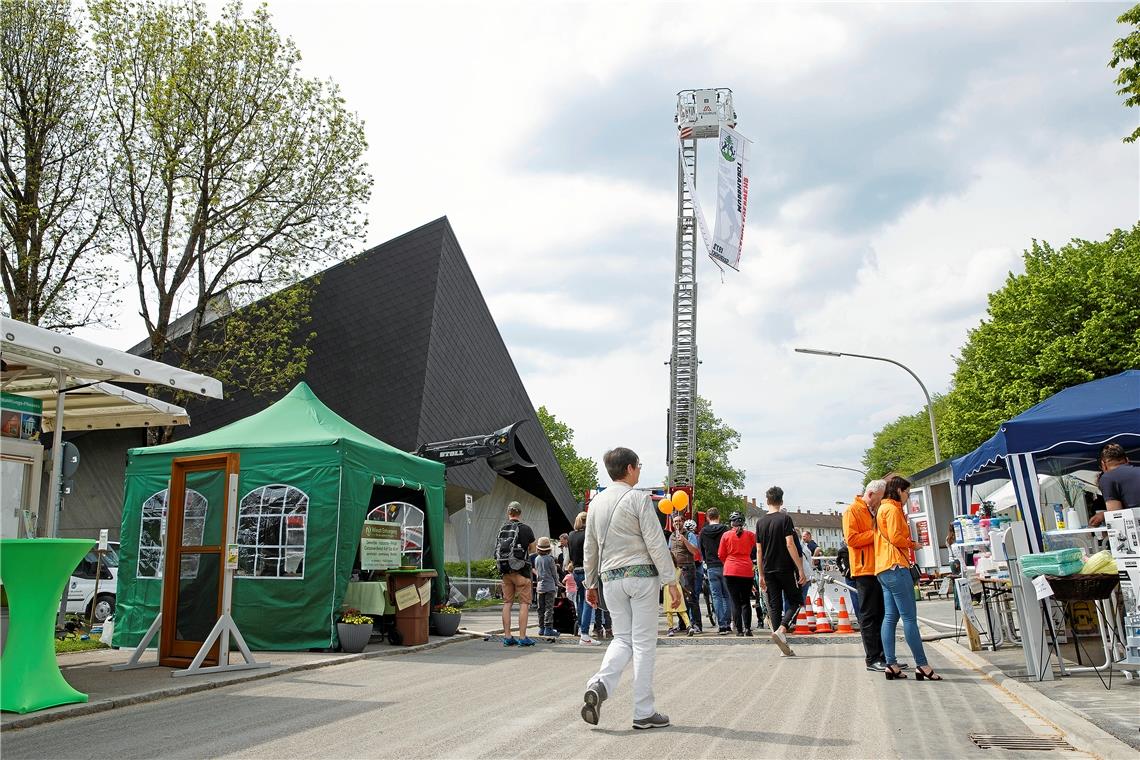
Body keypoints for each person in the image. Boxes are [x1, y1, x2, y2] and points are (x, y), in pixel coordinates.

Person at [581, 447, 676, 730]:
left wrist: (589, 583)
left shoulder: (595, 503)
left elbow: (590, 547)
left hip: (610, 579)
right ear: (631, 468)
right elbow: (655, 542)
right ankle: (643, 711)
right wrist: (671, 580)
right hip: (641, 576)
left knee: (622, 639)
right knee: (644, 644)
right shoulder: (638, 498)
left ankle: (599, 684)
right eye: (639, 465)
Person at [876, 476, 942, 681]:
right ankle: (922, 664)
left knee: (890, 618)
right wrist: (913, 544)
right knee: (909, 618)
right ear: (898, 491)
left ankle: (891, 663)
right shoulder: (894, 510)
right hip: (897, 566)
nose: (908, 496)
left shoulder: (881, 508)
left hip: (883, 568)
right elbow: (896, 538)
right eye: (907, 492)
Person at [843, 480, 890, 671]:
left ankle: (885, 656)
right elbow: (851, 539)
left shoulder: (872, 510)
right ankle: (872, 658)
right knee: (869, 615)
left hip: (877, 567)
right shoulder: (852, 511)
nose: (879, 503)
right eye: (878, 499)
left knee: (880, 614)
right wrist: (876, 534)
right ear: (870, 494)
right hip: (863, 570)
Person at [756, 486, 805, 657]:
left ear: (767, 501)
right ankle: (783, 629)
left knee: (775, 606)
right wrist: (800, 568)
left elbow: (759, 551)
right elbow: (790, 544)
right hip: (785, 567)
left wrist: (761, 574)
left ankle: (781, 642)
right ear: (781, 501)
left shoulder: (760, 522)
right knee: (797, 601)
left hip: (768, 569)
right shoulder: (785, 519)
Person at [496, 501, 537, 647]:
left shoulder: (502, 529)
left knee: (507, 603)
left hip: (505, 571)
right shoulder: (525, 529)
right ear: (520, 513)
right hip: (521, 572)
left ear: (509, 513)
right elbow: (532, 549)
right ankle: (522, 637)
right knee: (524, 604)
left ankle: (507, 636)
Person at [718, 511, 757, 637]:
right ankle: (748, 629)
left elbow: (721, 554)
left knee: (735, 601)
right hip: (746, 569)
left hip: (730, 570)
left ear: (731, 523)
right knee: (745, 601)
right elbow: (755, 549)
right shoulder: (750, 535)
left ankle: (739, 630)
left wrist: (728, 563)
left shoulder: (726, 535)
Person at [567, 512, 599, 646]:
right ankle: (585, 634)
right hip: (587, 570)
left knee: (580, 600)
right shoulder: (588, 534)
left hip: (576, 570)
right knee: (588, 601)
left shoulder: (571, 535)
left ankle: (581, 628)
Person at [1089, 443, 1140, 526]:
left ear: (1103, 464)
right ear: (1127, 460)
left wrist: (1104, 516)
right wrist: (1103, 515)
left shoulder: (1108, 478)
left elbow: (1116, 515)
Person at [699, 507, 732, 634]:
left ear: (707, 518)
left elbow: (701, 550)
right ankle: (728, 624)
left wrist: (706, 560)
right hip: (725, 565)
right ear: (718, 516)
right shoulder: (725, 529)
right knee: (726, 595)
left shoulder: (703, 532)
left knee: (716, 596)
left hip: (711, 566)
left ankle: (722, 625)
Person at [534, 537, 559, 637]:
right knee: (549, 608)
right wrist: (557, 582)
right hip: (549, 587)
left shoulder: (536, 559)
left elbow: (537, 573)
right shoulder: (550, 559)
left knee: (540, 608)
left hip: (540, 587)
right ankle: (548, 628)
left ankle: (541, 628)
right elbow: (554, 573)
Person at [664, 559, 693, 637]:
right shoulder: (679, 570)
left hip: (668, 589)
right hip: (678, 589)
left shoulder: (665, 570)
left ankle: (670, 629)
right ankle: (689, 626)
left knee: (669, 611)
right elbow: (683, 582)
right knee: (682, 610)